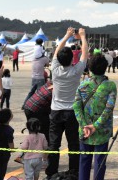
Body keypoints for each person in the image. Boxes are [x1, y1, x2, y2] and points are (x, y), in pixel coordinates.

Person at [45, 27, 88, 179]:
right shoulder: (76, 71)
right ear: (72, 59)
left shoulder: (55, 69)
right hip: (72, 112)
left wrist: (67, 35)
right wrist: (82, 36)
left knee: (54, 144)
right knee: (73, 144)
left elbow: (57, 51)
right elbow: (84, 53)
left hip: (56, 111)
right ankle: (74, 172)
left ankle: (51, 173)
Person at [74, 53, 116, 180]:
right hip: (102, 130)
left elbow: (76, 106)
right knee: (100, 162)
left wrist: (84, 125)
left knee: (84, 161)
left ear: (90, 68)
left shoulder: (83, 84)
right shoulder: (110, 86)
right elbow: (109, 108)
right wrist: (95, 126)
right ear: (105, 68)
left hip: (85, 130)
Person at [23, 79, 53, 145]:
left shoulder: (49, 83)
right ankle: (43, 149)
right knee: (44, 131)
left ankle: (32, 145)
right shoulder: (54, 91)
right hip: (36, 110)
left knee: (33, 130)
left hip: (28, 106)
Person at [24, 39, 49, 105]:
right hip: (40, 78)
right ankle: (38, 105)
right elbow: (47, 64)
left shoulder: (33, 58)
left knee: (31, 92)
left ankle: (25, 104)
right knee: (40, 93)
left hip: (33, 77)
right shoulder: (44, 58)